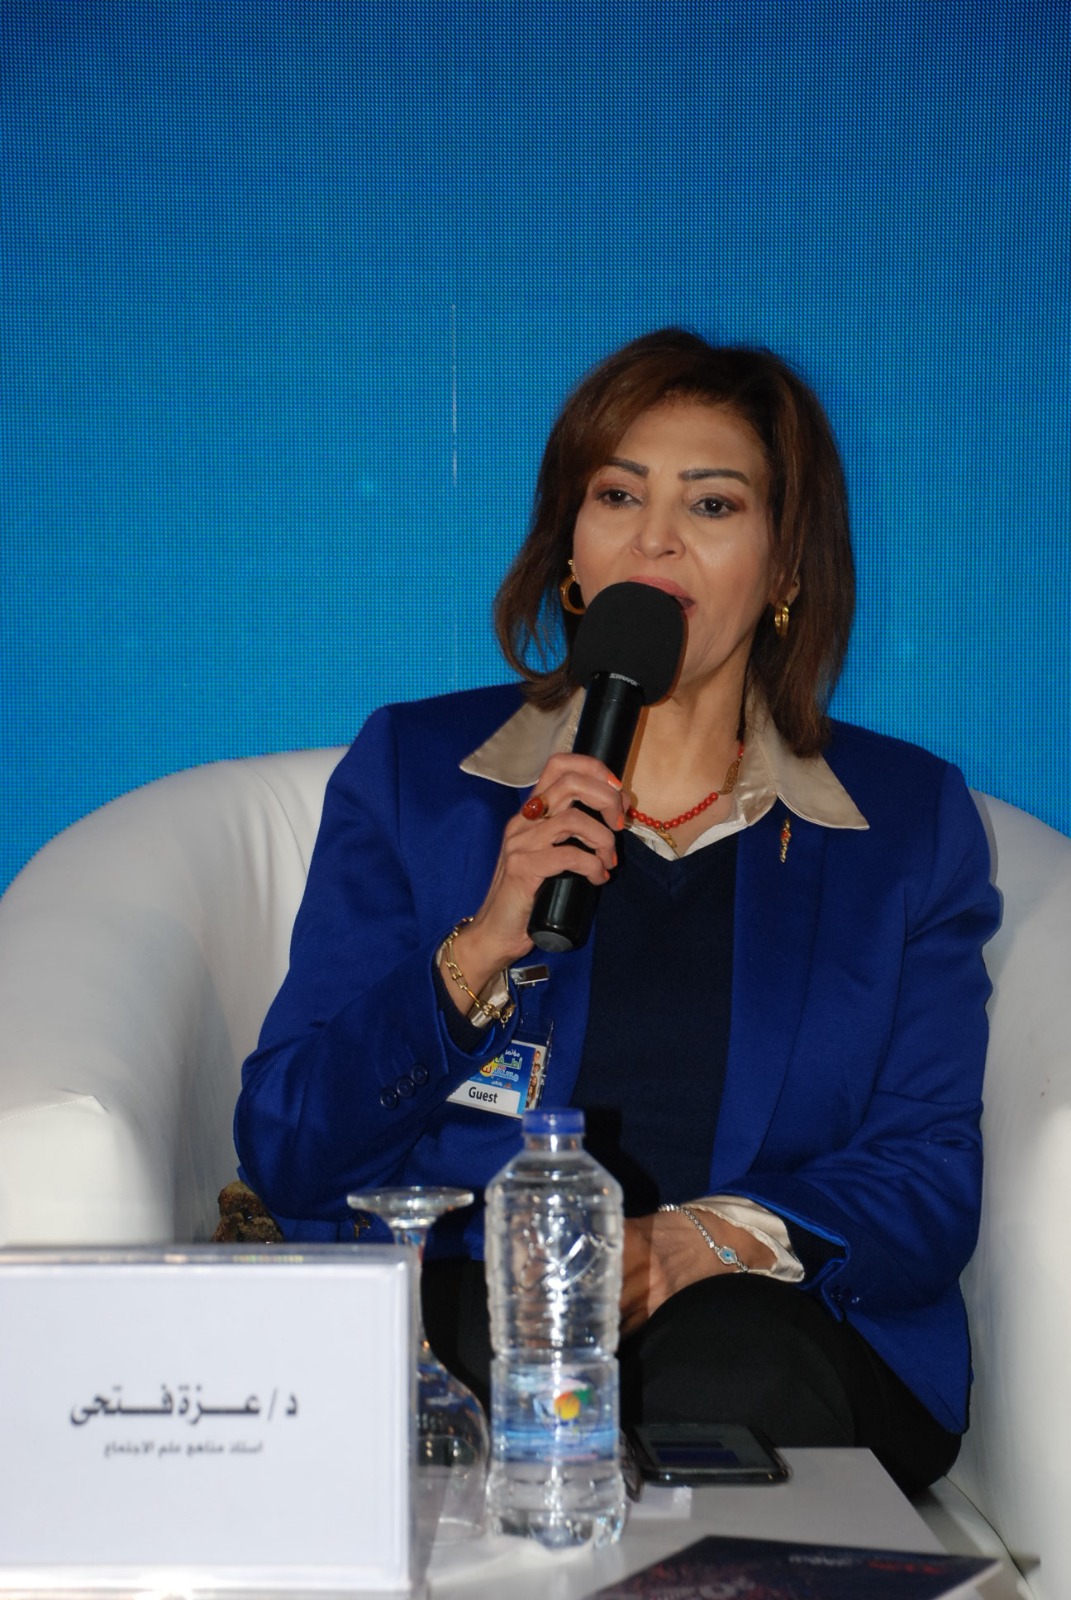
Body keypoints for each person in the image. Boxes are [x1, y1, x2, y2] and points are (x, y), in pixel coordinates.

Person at [234, 328, 1000, 1494]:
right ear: (571, 548)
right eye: (618, 494)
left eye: (712, 503)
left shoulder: (903, 824)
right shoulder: (419, 776)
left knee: (730, 1366)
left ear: (787, 568)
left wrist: (697, 1245)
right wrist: (480, 946)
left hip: (768, 1325)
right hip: (472, 1299)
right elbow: (290, 1146)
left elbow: (927, 1176)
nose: (655, 537)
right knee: (455, 1356)